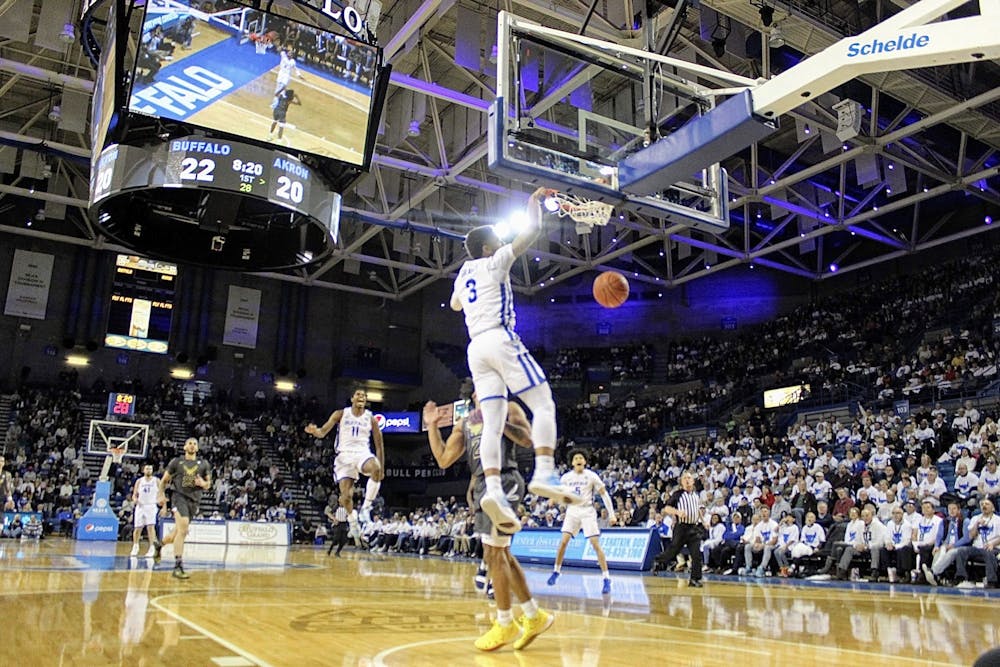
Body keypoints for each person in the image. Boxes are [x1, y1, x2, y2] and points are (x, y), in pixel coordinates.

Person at [450, 186, 583, 532]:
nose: (498, 241)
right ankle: (544, 472)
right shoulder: (495, 261)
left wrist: (466, 298)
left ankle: (492, 489)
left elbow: (455, 305)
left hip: (475, 350)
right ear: (486, 247)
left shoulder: (463, 275)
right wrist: (533, 203)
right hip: (499, 337)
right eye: (495, 239)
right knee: (543, 403)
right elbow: (532, 232)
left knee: (491, 425)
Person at [423, 390, 554, 652]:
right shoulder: (464, 422)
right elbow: (443, 458)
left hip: (505, 480)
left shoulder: (510, 408)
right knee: (500, 553)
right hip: (483, 483)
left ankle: (505, 621)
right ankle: (533, 615)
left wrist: (498, 421)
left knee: (494, 553)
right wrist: (432, 426)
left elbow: (528, 440)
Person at [305, 387, 385, 546]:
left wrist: (381, 466)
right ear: (352, 398)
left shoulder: (371, 419)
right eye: (358, 394)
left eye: (364, 395)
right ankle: (353, 524)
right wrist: (315, 431)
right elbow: (323, 432)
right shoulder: (340, 414)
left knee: (376, 469)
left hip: (362, 453)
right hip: (344, 456)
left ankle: (366, 509)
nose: (361, 396)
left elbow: (379, 444)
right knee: (346, 497)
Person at [546, 450, 617, 594]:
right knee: (563, 541)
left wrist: (612, 514)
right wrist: (552, 498)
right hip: (572, 511)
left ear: (585, 461)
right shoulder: (566, 477)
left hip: (587, 511)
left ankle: (606, 578)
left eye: (581, 458)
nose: (578, 459)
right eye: (576, 458)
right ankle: (556, 571)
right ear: (572, 462)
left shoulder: (591, 476)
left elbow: (604, 494)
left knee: (595, 544)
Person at [153, 438, 211, 579]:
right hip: (179, 498)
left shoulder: (203, 464)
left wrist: (203, 483)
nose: (192, 446)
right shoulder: (176, 462)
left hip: (194, 501)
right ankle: (178, 566)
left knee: (176, 534)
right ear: (185, 446)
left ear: (197, 448)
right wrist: (160, 495)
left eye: (195, 444)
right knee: (184, 529)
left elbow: (208, 484)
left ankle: (159, 545)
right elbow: (164, 480)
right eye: (189, 443)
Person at [658, 472, 705, 587]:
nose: (687, 480)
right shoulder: (678, 494)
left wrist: (704, 521)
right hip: (681, 527)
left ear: (693, 481)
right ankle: (658, 560)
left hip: (693, 527)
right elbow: (667, 508)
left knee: (696, 554)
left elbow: (697, 509)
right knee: (674, 550)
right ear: (682, 482)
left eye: (689, 478)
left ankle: (695, 579)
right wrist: (678, 512)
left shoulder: (696, 495)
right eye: (685, 478)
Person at [129, 465, 162, 557]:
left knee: (150, 527)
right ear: (143, 470)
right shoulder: (139, 481)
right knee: (137, 528)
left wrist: (161, 502)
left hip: (151, 505)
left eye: (150, 469)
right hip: (141, 505)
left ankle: (152, 547)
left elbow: (161, 493)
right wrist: (135, 499)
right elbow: (134, 494)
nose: (148, 470)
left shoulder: (156, 480)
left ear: (152, 470)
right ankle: (135, 546)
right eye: (147, 469)